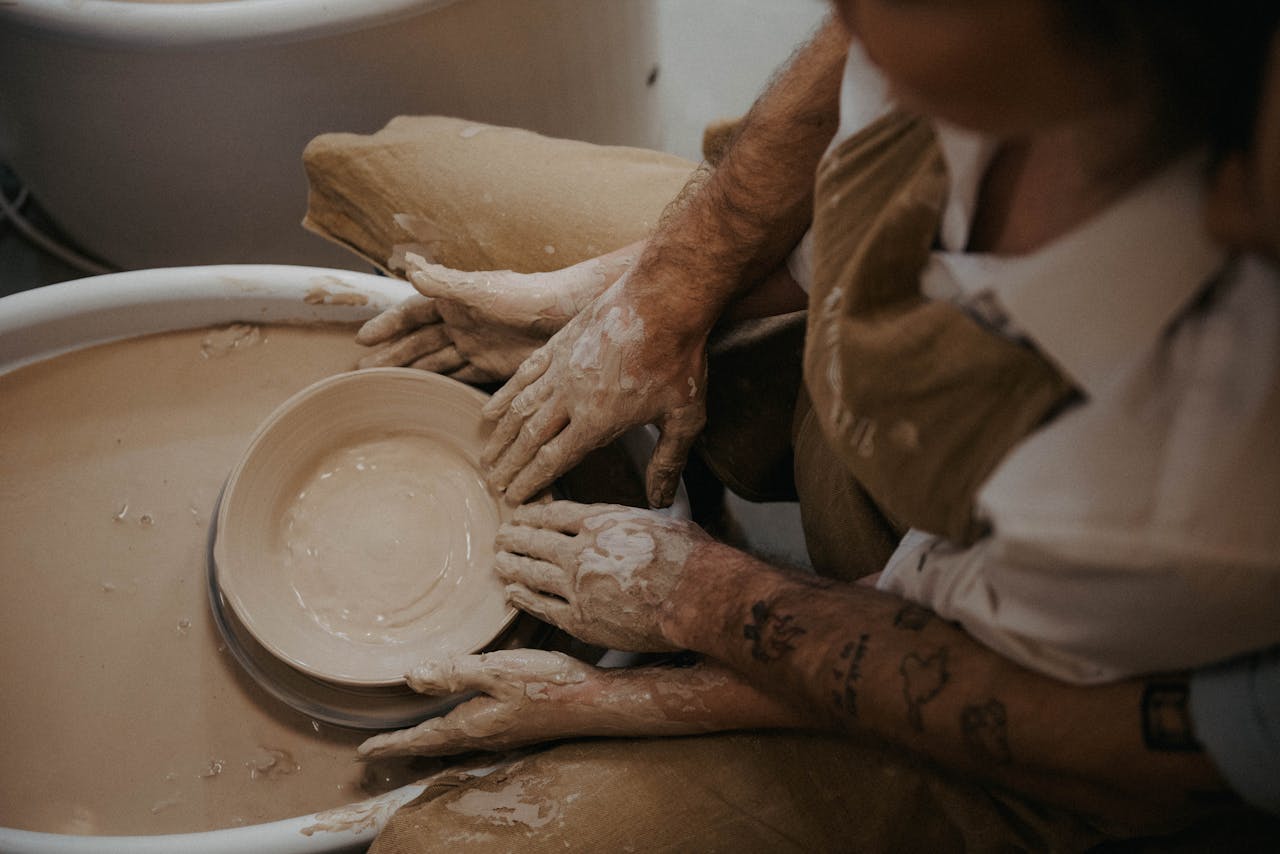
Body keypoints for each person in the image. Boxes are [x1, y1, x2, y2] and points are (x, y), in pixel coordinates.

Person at [308, 3, 1280, 850]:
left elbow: (1035, 707)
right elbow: (848, 173)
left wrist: (684, 617)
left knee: (455, 843)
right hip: (867, 390)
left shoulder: (1199, 475)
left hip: (1033, 703)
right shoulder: (975, 44)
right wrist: (641, 301)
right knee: (379, 175)